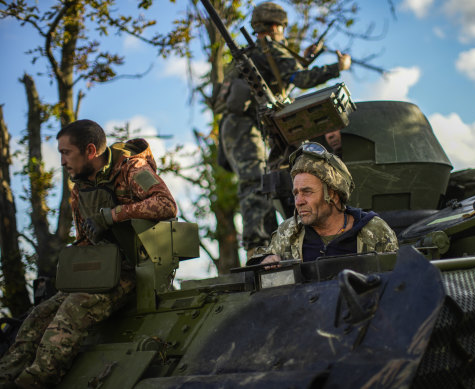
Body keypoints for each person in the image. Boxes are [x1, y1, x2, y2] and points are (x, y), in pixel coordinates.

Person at [0, 119, 177, 388]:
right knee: (38, 316)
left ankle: (35, 381)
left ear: (90, 151)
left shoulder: (132, 169)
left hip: (135, 269)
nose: (62, 161)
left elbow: (166, 204)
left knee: (73, 309)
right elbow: (84, 240)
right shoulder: (80, 188)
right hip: (100, 269)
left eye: (66, 152)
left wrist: (112, 216)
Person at [219, 1, 352, 256]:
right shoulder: (271, 51)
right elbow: (300, 80)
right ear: (276, 27)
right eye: (281, 28)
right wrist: (338, 67)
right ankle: (258, 248)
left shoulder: (255, 52)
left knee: (262, 181)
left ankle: (266, 242)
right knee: (256, 183)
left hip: (235, 128)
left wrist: (303, 57)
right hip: (246, 128)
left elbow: (282, 80)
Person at [249, 142, 398, 265]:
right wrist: (264, 261)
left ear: (333, 194)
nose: (299, 202)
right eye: (296, 193)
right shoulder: (288, 233)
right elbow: (260, 262)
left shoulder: (375, 231)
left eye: (307, 192)